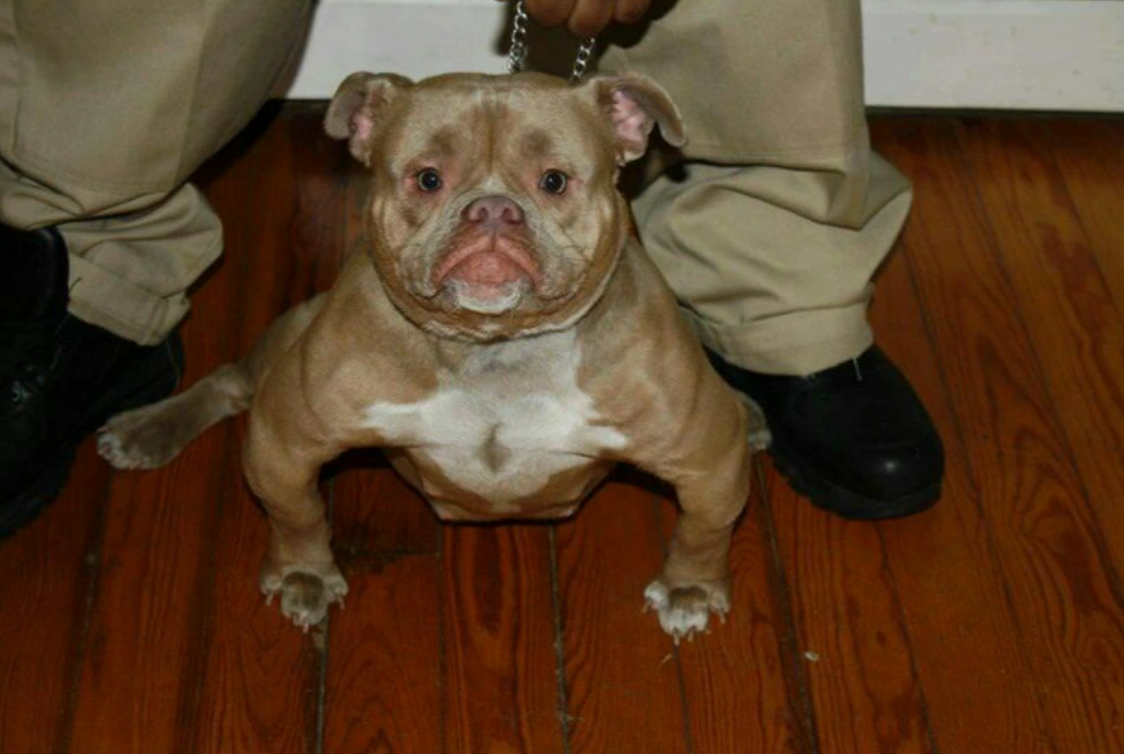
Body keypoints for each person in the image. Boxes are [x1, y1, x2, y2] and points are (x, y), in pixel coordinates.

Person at [0, 0, 942, 539]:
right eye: (429, 181)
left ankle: (776, 302)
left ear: (630, 136)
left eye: (551, 183)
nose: (492, 217)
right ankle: (89, 262)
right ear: (364, 136)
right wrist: (300, 545)